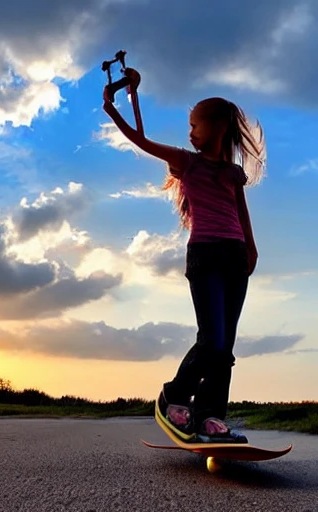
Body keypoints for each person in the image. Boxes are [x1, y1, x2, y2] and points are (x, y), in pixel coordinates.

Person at [103, 88, 266, 443]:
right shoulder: (186, 161)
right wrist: (113, 108)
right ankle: (174, 396)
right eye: (188, 126)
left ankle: (209, 416)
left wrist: (251, 248)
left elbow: (241, 211)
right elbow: (141, 141)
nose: (190, 132)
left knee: (225, 347)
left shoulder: (233, 172)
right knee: (211, 339)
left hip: (235, 255)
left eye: (196, 125)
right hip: (205, 254)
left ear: (219, 125)